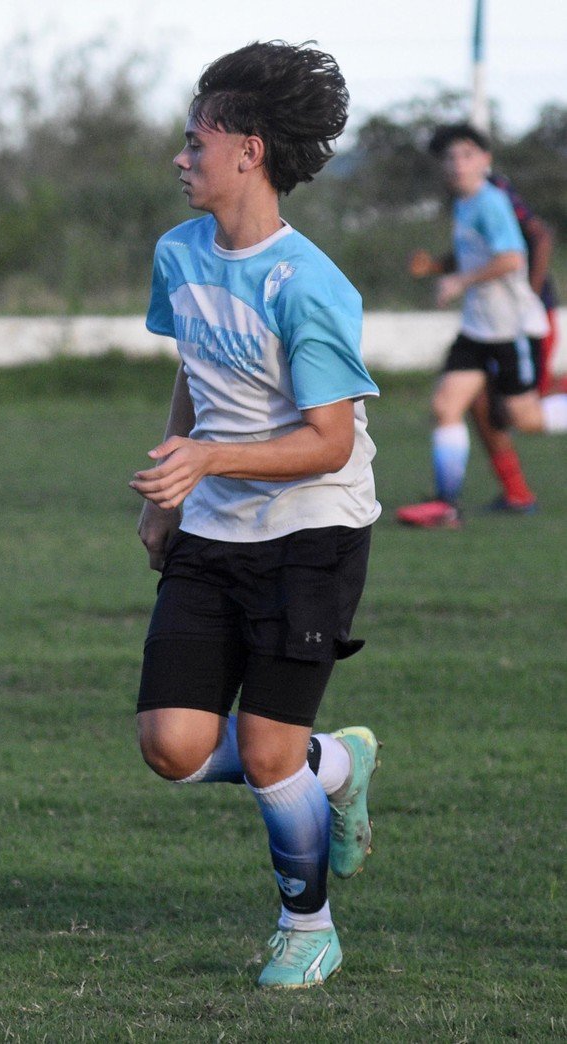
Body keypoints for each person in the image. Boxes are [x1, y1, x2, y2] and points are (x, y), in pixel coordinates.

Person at [131, 41, 382, 989]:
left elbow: (327, 441)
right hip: (212, 524)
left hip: (312, 530)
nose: (180, 158)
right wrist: (174, 480)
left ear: (249, 152)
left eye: (195, 143)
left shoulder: (308, 283)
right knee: (171, 746)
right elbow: (193, 370)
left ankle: (306, 927)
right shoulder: (178, 252)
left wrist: (206, 461)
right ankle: (336, 765)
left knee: (269, 754)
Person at [397, 124, 567, 528]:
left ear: (485, 160)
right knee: (446, 406)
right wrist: (438, 267)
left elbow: (511, 258)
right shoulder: (465, 204)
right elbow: (473, 255)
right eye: (451, 157)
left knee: (524, 419)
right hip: (477, 328)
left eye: (468, 155)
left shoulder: (491, 202)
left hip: (511, 330)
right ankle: (446, 505)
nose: (458, 164)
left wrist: (460, 282)